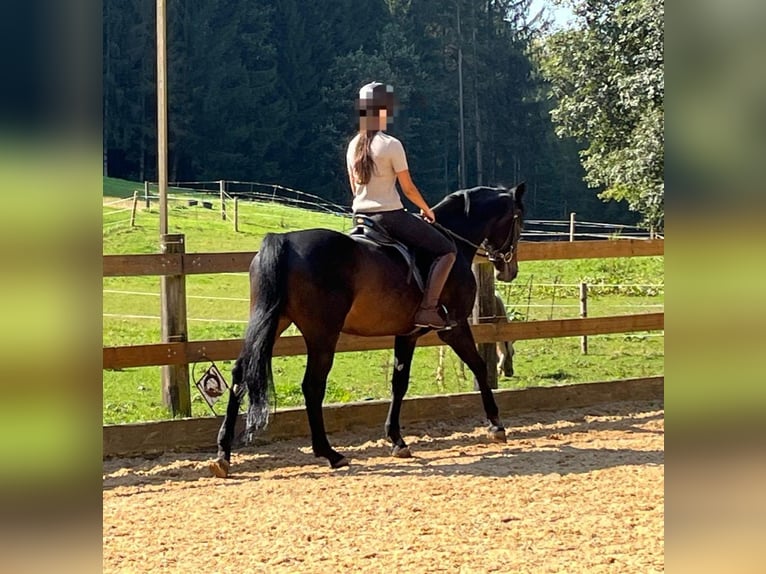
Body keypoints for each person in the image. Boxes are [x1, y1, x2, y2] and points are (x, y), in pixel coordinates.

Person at [346, 81, 457, 329]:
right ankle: (428, 309)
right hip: (390, 218)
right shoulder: (391, 144)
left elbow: (355, 187)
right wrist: (427, 210)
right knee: (447, 250)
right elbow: (408, 188)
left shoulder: (353, 145)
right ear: (383, 110)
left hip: (360, 218)